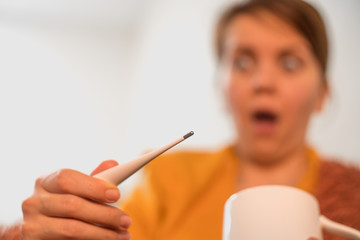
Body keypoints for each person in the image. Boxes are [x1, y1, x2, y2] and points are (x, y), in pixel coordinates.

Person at [1, 0, 359, 239]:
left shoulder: (353, 198)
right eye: (243, 61)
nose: (262, 81)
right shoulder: (169, 179)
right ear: (221, 87)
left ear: (323, 93)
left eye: (290, 62)